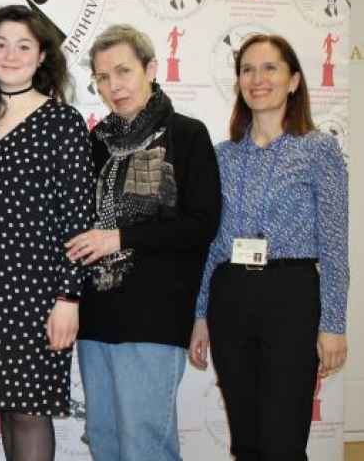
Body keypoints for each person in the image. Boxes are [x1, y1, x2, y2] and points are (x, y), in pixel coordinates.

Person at [0, 4, 95, 461]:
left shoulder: (63, 123)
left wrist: (68, 298)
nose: (10, 55)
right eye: (0, 45)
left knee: (29, 412)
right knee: (8, 410)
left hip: (38, 293)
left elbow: (78, 218)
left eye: (24, 46)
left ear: (42, 55)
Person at [64, 24, 221, 461]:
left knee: (144, 447)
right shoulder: (95, 142)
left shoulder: (187, 135)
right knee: (104, 441)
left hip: (155, 316)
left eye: (123, 71)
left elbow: (201, 225)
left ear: (150, 69)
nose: (113, 86)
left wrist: (120, 237)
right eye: (102, 77)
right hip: (96, 317)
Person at [189, 34, 349, 461]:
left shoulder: (319, 149)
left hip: (290, 298)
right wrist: (200, 314)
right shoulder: (222, 156)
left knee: (283, 443)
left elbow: (335, 243)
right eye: (247, 69)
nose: (257, 79)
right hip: (230, 297)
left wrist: (334, 324)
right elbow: (212, 244)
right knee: (246, 442)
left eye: (269, 68)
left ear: (293, 81)